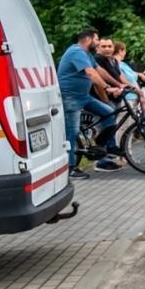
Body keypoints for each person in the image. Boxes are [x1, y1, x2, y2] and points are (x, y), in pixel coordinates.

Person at [57, 27, 122, 178]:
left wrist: (118, 84)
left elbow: (99, 70)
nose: (98, 43)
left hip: (84, 96)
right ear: (89, 39)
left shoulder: (86, 54)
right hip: (71, 98)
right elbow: (90, 73)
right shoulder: (76, 52)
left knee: (109, 114)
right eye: (97, 40)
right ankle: (71, 168)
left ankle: (98, 147)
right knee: (71, 132)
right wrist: (107, 88)